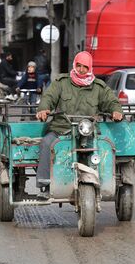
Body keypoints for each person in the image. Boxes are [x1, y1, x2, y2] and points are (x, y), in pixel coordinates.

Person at [35, 51, 123, 199]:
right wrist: (44, 109)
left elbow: (111, 101)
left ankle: (105, 181)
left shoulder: (98, 87)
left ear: (90, 68)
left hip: (88, 133)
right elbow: (49, 97)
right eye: (79, 66)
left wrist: (116, 111)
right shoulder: (61, 82)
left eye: (85, 67)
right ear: (74, 65)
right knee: (46, 143)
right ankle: (44, 184)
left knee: (106, 149)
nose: (81, 70)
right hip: (62, 130)